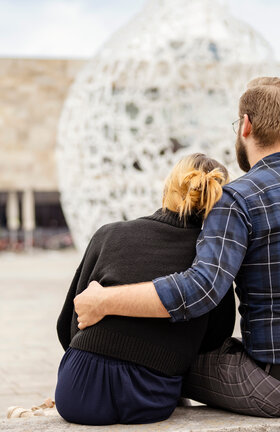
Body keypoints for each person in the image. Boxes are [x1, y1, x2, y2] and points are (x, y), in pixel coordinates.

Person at [74, 77, 280, 418]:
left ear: (245, 126)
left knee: (168, 359)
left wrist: (103, 301)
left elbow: (200, 290)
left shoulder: (239, 198)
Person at [54, 153, 236, 425]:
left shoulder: (108, 234)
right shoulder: (210, 261)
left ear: (167, 189)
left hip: (76, 391)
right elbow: (216, 336)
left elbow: (68, 324)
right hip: (151, 396)